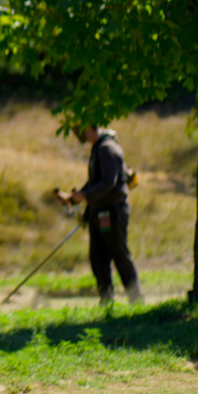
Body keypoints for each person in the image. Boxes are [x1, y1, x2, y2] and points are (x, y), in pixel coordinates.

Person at [54, 124, 143, 306]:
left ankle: (137, 301)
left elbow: (108, 182)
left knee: (119, 254)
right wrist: (72, 199)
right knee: (98, 257)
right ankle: (106, 302)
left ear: (89, 127)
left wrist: (85, 196)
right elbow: (94, 181)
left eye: (80, 131)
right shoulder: (99, 147)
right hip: (98, 210)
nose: (80, 136)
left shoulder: (107, 148)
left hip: (112, 210)